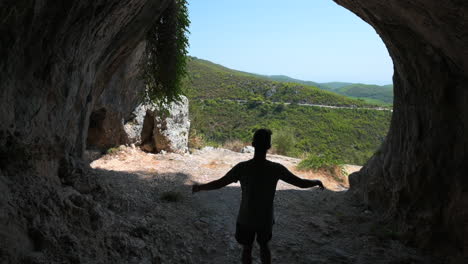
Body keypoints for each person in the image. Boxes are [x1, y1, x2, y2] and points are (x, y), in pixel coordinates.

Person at [192, 128, 324, 264]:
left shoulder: (242, 168)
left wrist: (200, 187)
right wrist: (316, 182)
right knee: (264, 246)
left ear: (253, 144)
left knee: (247, 248)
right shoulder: (276, 169)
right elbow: (300, 183)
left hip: (246, 218)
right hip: (265, 219)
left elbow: (220, 183)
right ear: (269, 147)